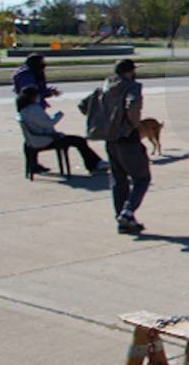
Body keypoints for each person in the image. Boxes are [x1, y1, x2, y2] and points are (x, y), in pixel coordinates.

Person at [94, 59, 151, 235]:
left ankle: (122, 220)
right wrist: (132, 124)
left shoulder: (105, 86)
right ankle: (127, 212)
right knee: (142, 178)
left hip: (111, 140)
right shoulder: (132, 87)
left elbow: (84, 106)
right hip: (128, 139)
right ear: (129, 72)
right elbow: (133, 106)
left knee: (119, 181)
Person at [16, 85, 106, 173]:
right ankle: (94, 164)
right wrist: (58, 115)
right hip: (46, 139)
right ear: (33, 97)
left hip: (34, 139)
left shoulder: (23, 110)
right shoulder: (34, 109)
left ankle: (95, 163)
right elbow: (48, 123)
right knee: (79, 141)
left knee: (77, 140)